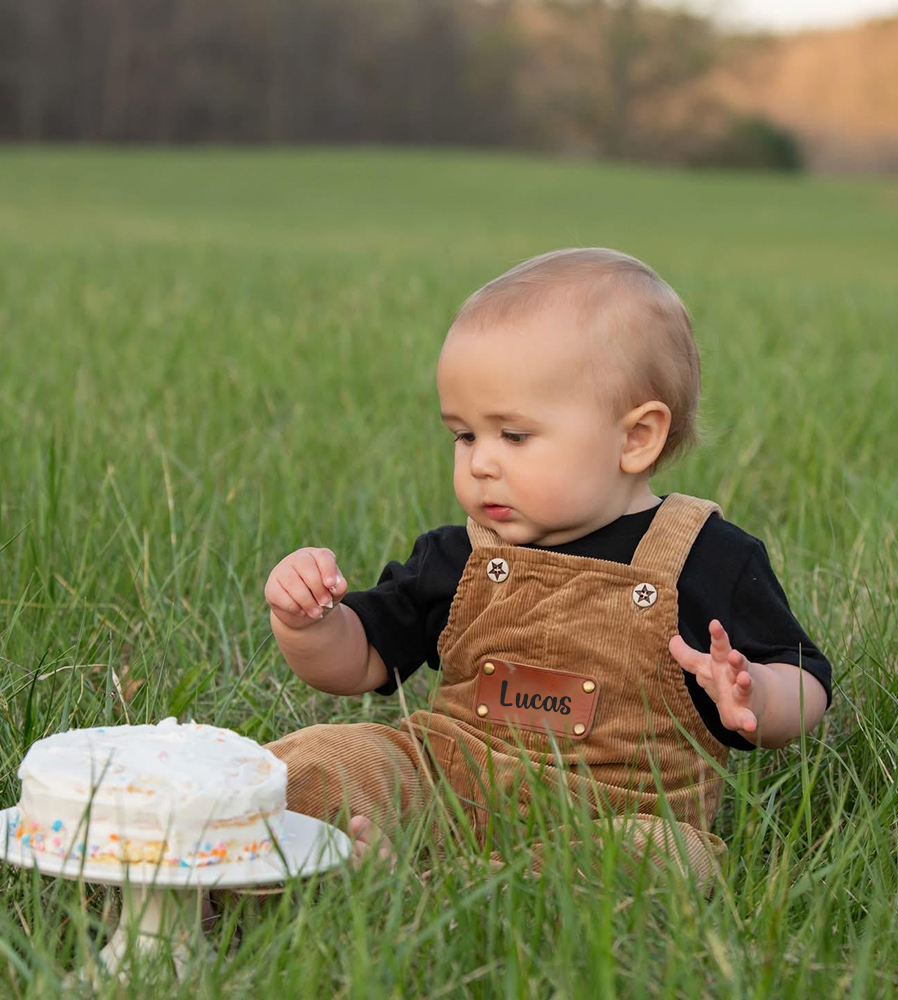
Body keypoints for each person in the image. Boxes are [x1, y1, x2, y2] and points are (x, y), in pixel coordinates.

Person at [261, 248, 831, 895]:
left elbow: (806, 679)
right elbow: (359, 662)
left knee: (666, 855)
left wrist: (757, 694)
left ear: (636, 437)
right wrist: (309, 622)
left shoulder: (708, 557)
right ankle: (210, 852)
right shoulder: (460, 555)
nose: (480, 463)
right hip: (445, 780)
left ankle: (446, 894)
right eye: (464, 436)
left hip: (618, 813)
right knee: (322, 757)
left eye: (514, 436)